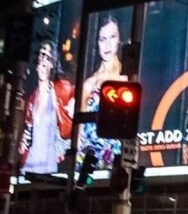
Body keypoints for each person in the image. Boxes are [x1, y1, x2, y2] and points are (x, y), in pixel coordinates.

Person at [78, 13, 127, 170]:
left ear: (119, 39)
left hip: (115, 158)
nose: (107, 45)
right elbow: (79, 132)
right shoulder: (88, 84)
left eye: (112, 37)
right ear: (97, 43)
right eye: (102, 39)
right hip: (88, 159)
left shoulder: (126, 79)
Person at [19, 40, 74, 174]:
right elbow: (28, 133)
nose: (43, 61)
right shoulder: (32, 99)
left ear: (52, 64)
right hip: (30, 166)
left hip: (51, 167)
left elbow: (70, 127)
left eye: (48, 58)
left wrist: (72, 106)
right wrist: (23, 144)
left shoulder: (61, 89)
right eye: (42, 55)